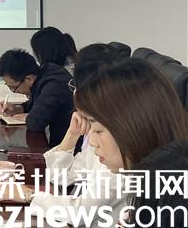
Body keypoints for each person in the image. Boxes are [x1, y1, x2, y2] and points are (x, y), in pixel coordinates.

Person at [0, 43, 128, 227]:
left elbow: (79, 213)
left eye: (76, 84)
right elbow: (61, 178)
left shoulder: (118, 151)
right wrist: (71, 135)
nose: (73, 92)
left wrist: (28, 195)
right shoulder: (100, 134)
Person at [74, 58, 188, 227]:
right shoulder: (149, 181)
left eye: (97, 130)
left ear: (135, 126)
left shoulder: (172, 198)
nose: (91, 142)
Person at [0, 48, 73, 147]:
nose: (14, 91)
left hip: (70, 147)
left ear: (28, 79)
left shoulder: (53, 85)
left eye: (13, 88)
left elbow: (35, 124)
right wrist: (17, 109)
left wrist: (30, 117)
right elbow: (35, 103)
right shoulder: (44, 73)